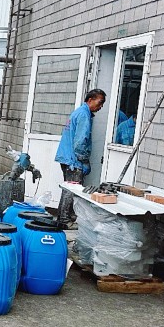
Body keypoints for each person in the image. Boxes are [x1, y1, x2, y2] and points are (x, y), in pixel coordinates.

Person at [54, 88, 107, 227]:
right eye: (100, 102)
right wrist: (84, 160)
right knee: (71, 190)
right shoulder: (84, 115)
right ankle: (64, 220)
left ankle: (66, 216)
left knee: (69, 188)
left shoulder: (79, 112)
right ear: (90, 100)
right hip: (73, 159)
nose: (101, 106)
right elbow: (79, 142)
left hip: (67, 157)